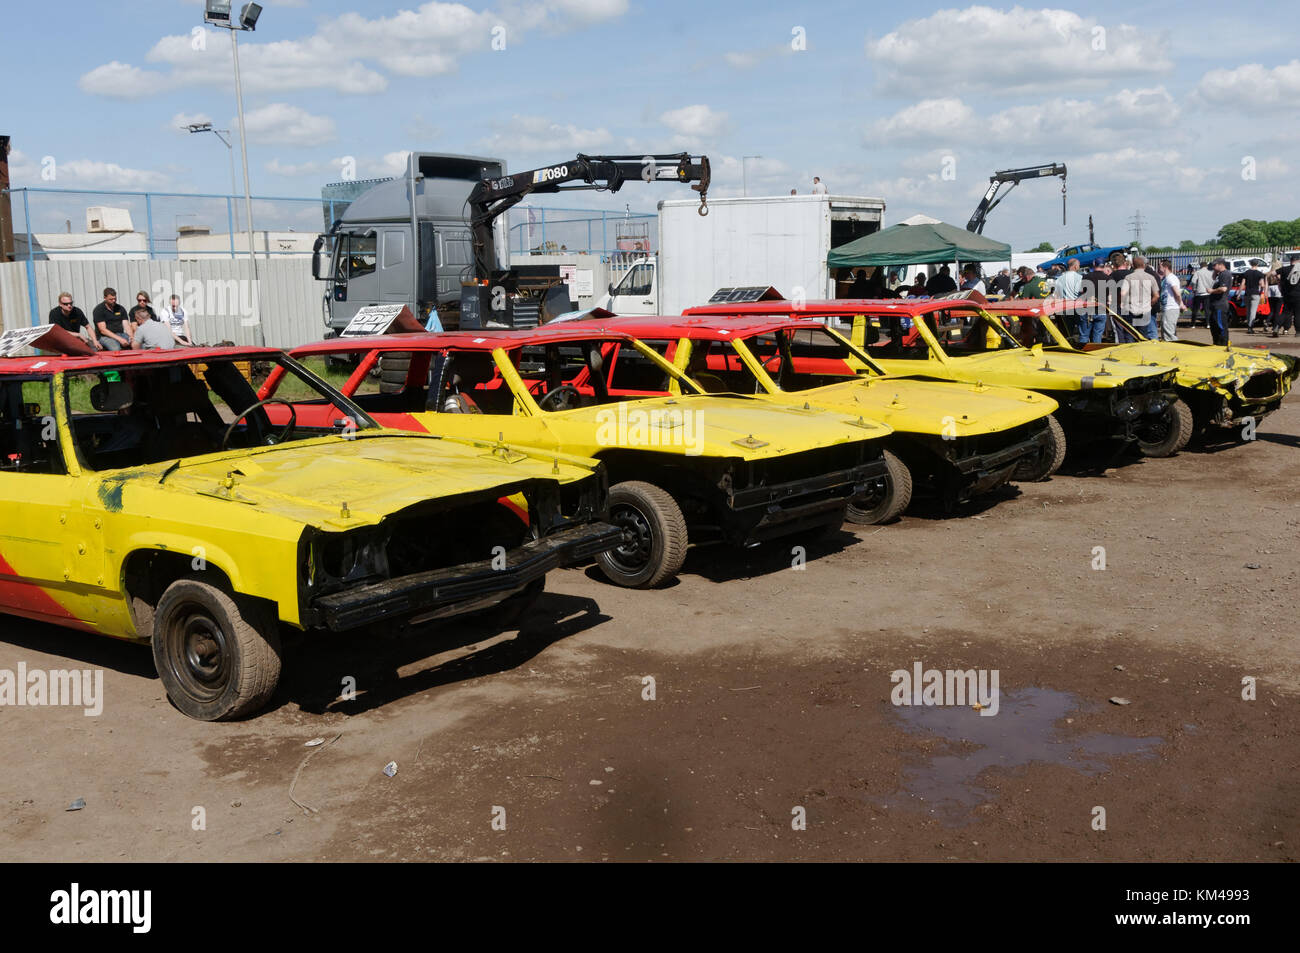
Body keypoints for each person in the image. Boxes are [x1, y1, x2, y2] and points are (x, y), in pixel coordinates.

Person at [1119, 255, 1159, 341]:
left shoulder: (1128, 277)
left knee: (1130, 335)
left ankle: (1131, 353)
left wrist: (1122, 304)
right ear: (1144, 265)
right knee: (1143, 335)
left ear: (1133, 265)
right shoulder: (1151, 277)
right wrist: (1150, 304)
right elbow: (1156, 295)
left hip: (1131, 310)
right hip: (1145, 310)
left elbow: (1123, 293)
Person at [1157, 259, 1184, 342]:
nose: (1158, 268)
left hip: (1171, 308)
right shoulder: (1167, 278)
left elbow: (1177, 293)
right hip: (1169, 308)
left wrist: (1181, 304)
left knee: (1169, 334)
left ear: (1165, 267)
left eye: (1160, 266)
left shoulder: (1171, 278)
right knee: (1167, 333)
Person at [1208, 259, 1232, 345]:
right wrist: (1215, 272)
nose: (1213, 268)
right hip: (1216, 305)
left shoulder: (1225, 274)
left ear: (1220, 265)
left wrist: (1212, 291)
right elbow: (1213, 278)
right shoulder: (1220, 274)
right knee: (1214, 325)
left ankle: (1223, 344)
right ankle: (1217, 342)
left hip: (1220, 305)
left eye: (1214, 266)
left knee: (1220, 326)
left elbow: (1223, 289)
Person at [1239, 262, 1267, 333]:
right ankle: (1250, 327)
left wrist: (1239, 293)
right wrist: (1261, 292)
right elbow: (1262, 284)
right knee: (1253, 311)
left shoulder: (1246, 273)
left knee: (1248, 311)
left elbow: (1242, 284)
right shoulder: (1259, 273)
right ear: (1257, 265)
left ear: (1251, 264)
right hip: (1255, 293)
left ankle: (1248, 325)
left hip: (1247, 293)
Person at [1189, 262, 1213, 328]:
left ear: (1200, 266)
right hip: (1207, 293)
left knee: (1195, 309)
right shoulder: (1210, 273)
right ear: (1206, 266)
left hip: (1199, 293)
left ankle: (1193, 324)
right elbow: (1213, 281)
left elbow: (1193, 281)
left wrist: (1194, 289)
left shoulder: (1198, 272)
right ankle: (1208, 324)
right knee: (1207, 309)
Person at [1283, 259, 1300, 336]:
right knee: (1297, 314)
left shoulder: (1285, 269)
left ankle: (1286, 329)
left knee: (1287, 313)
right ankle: (1298, 332)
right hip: (1298, 295)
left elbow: (1272, 273)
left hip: (1288, 294)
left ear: (1291, 261)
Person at [1267, 271, 1285, 337]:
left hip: (1270, 293)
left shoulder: (1268, 275)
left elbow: (1266, 285)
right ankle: (1275, 326)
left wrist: (1266, 293)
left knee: (1272, 310)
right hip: (1278, 292)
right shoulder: (1279, 275)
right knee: (1277, 311)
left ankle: (1267, 321)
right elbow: (1280, 284)